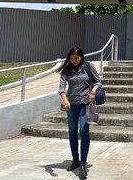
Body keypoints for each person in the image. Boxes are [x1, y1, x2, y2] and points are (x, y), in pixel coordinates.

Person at [58, 47, 102, 178]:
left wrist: (93, 91)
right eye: (71, 58)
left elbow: (98, 82)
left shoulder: (88, 67)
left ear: (81, 57)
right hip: (71, 105)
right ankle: (75, 160)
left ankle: (83, 164)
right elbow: (61, 88)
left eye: (76, 58)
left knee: (83, 131)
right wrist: (65, 100)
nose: (74, 60)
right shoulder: (66, 70)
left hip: (85, 103)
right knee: (72, 132)